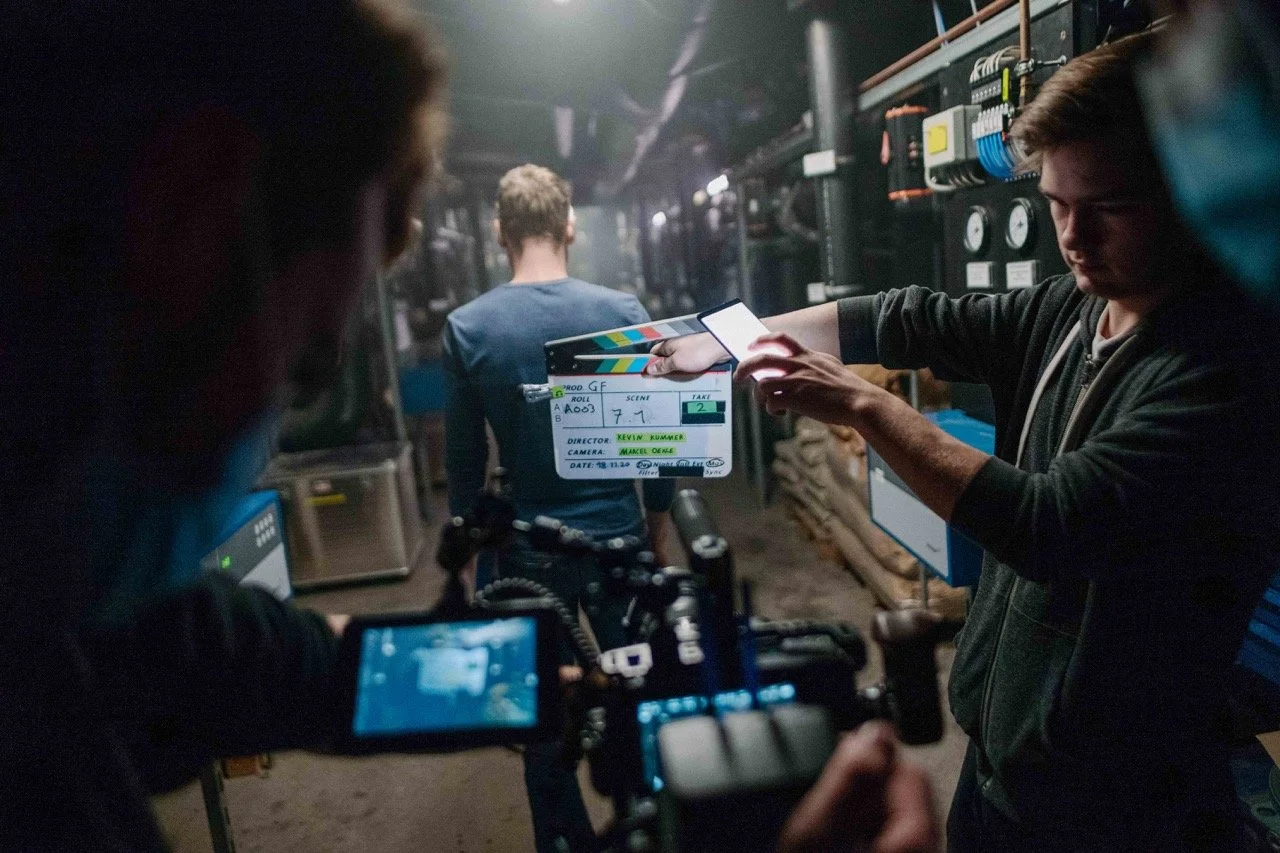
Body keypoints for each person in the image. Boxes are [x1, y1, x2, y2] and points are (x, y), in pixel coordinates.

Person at [650, 30, 1280, 852]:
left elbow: (1051, 524)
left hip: (1114, 799)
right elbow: (908, 317)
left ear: (1185, 191)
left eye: (1109, 208)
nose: (1074, 236)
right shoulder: (1071, 309)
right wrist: (730, 338)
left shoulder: (1221, 367)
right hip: (1001, 765)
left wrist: (865, 407)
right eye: (1056, 204)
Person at [1, 1, 446, 848]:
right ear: (189, 212)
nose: (269, 420)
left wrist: (509, 679)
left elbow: (226, 659)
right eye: (306, 363)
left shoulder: (44, 601)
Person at [442, 163, 677, 853]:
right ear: (569, 223)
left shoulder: (467, 328)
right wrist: (654, 525)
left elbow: (463, 466)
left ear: (499, 233)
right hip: (616, 538)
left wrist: (476, 551)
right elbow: (657, 443)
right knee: (638, 697)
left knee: (544, 718)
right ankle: (645, 829)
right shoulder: (623, 313)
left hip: (523, 551)